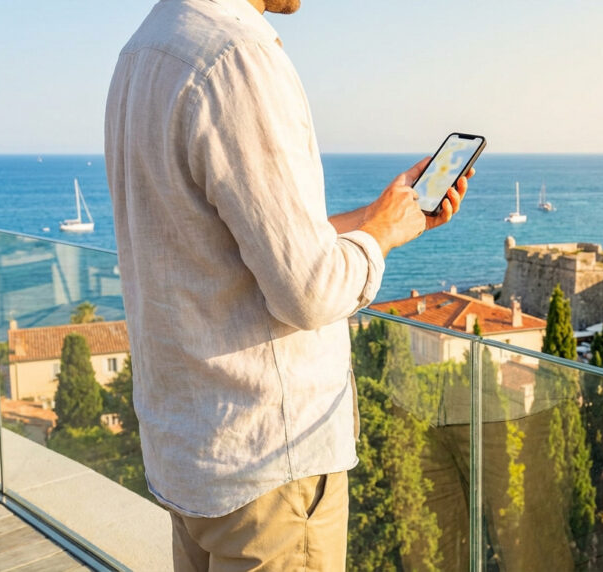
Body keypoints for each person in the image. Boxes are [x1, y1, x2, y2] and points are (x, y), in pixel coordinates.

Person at [104, 0, 471, 569]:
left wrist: (377, 216)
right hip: (267, 466)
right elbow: (309, 291)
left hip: (189, 455)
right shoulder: (237, 58)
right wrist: (380, 235)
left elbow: (238, 242)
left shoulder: (143, 52)